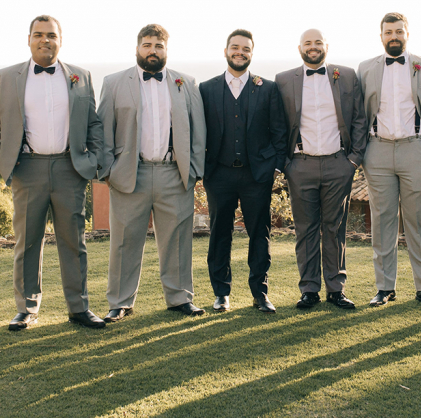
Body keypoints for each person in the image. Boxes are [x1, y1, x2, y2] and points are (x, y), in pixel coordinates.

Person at [0, 15, 105, 331]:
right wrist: (4, 160)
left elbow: (93, 122)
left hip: (70, 168)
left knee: (73, 240)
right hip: (28, 168)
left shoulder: (81, 76)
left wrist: (89, 163)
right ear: (29, 39)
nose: (44, 40)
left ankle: (78, 308)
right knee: (28, 242)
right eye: (38, 34)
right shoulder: (8, 76)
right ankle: (26, 309)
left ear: (60, 40)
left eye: (51, 35)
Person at [98, 24, 207, 321]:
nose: (152, 51)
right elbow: (103, 130)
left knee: (178, 241)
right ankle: (120, 302)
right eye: (147, 45)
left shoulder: (187, 83)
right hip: (131, 174)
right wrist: (107, 171)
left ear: (166, 50)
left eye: (158, 46)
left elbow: (199, 132)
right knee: (124, 241)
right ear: (137, 48)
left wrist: (194, 171)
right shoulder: (114, 83)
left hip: (175, 174)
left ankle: (180, 299)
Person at [358, 12, 421, 309]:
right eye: (388, 32)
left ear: (407, 33)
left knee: (418, 221)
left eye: (399, 31)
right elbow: (357, 113)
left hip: (416, 151)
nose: (394, 36)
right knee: (382, 222)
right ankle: (384, 288)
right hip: (378, 151)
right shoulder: (365, 68)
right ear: (381, 35)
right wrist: (362, 151)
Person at [275, 29, 366, 310]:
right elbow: (277, 123)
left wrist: (353, 160)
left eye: (317, 43)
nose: (313, 47)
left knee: (335, 227)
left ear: (326, 46)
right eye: (307, 43)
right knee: (305, 229)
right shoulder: (283, 80)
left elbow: (360, 119)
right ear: (299, 48)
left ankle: (336, 289)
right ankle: (309, 289)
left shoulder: (347, 75)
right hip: (300, 165)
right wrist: (285, 164)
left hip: (339, 163)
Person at [199, 29, 288, 313]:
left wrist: (274, 166)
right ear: (226, 51)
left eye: (246, 48)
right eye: (235, 47)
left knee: (259, 235)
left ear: (252, 53)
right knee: (219, 234)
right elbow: (199, 133)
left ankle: (260, 293)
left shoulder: (268, 88)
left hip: (256, 175)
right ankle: (221, 293)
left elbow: (279, 131)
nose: (240, 52)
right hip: (219, 174)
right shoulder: (207, 89)